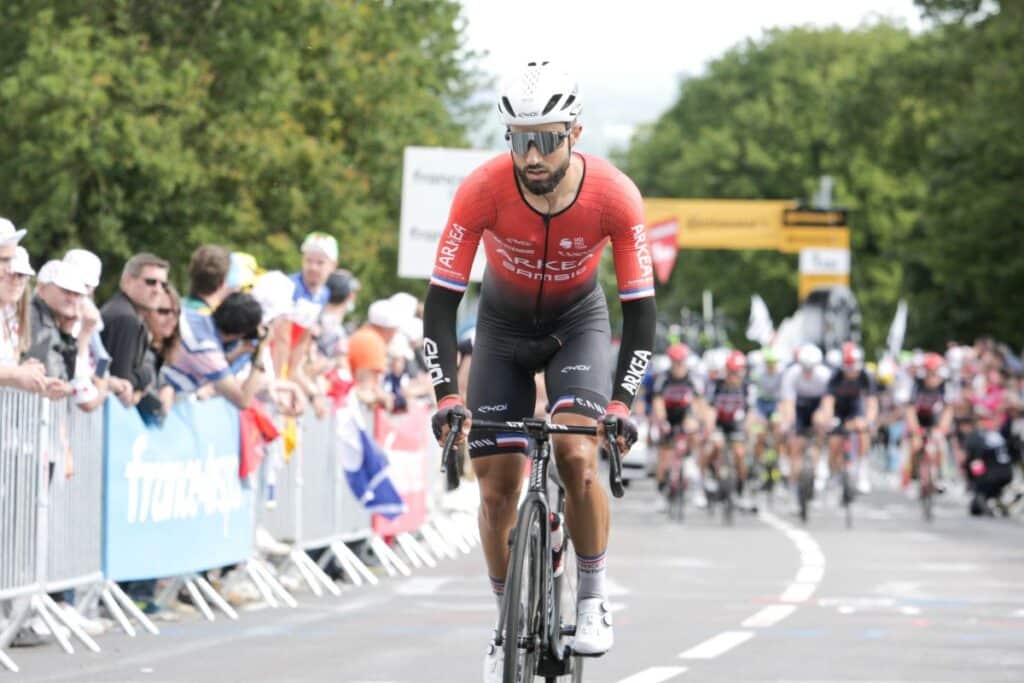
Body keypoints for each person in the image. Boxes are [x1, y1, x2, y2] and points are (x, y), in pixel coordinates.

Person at [423, 61, 656, 672]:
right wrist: (447, 394)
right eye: (519, 139)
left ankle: (595, 597)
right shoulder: (481, 188)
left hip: (576, 327)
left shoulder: (614, 195)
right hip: (500, 329)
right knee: (497, 486)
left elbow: (642, 314)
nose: (531, 155)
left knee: (579, 455)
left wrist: (621, 405)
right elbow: (442, 303)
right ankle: (505, 623)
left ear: (574, 134)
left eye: (546, 139)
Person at [162, 291, 268, 409]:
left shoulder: (189, 314)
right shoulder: (207, 351)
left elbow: (209, 365)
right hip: (160, 390)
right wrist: (260, 355)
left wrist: (240, 351)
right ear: (241, 333)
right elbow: (243, 401)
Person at [101, 253, 170, 404]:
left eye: (163, 284)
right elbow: (123, 381)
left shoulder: (126, 313)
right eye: (150, 282)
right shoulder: (125, 319)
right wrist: (145, 375)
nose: (158, 290)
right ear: (126, 281)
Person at [819, 342, 878, 494]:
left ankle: (862, 470)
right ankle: (834, 472)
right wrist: (829, 419)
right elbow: (828, 401)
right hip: (838, 409)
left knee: (863, 432)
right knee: (834, 442)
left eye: (854, 368)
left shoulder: (866, 376)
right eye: (848, 368)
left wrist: (869, 421)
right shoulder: (835, 376)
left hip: (855, 408)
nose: (851, 372)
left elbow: (872, 402)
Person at [650, 343, 704, 508]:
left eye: (681, 361)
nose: (678, 365)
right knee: (664, 458)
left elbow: (698, 402)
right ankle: (660, 493)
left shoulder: (693, 378)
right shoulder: (663, 378)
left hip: (686, 414)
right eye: (675, 362)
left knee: (693, 431)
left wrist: (695, 419)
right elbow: (658, 402)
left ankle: (691, 462)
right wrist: (662, 420)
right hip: (668, 416)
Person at [703, 350, 755, 508]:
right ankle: (710, 475)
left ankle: (742, 487)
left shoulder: (748, 386)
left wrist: (748, 429)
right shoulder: (716, 385)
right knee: (715, 446)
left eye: (737, 373)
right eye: (731, 372)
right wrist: (710, 430)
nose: (734, 377)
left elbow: (751, 412)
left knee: (740, 453)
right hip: (719, 421)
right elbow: (710, 409)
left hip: (737, 422)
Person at [779, 344, 832, 500]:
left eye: (811, 368)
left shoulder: (825, 375)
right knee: (796, 443)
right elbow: (788, 403)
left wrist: (825, 418)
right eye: (805, 368)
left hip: (817, 405)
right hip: (799, 406)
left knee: (821, 422)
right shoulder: (791, 374)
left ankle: (821, 457)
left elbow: (828, 402)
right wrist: (788, 423)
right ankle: (793, 485)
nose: (808, 372)